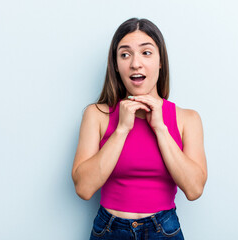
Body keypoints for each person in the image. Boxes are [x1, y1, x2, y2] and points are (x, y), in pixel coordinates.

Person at [72, 18, 207, 240]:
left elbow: (194, 190)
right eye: (125, 54)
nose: (135, 63)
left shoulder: (187, 119)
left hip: (164, 230)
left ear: (161, 61)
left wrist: (160, 128)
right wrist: (122, 129)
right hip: (109, 230)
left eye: (146, 53)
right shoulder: (97, 114)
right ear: (116, 65)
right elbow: (84, 189)